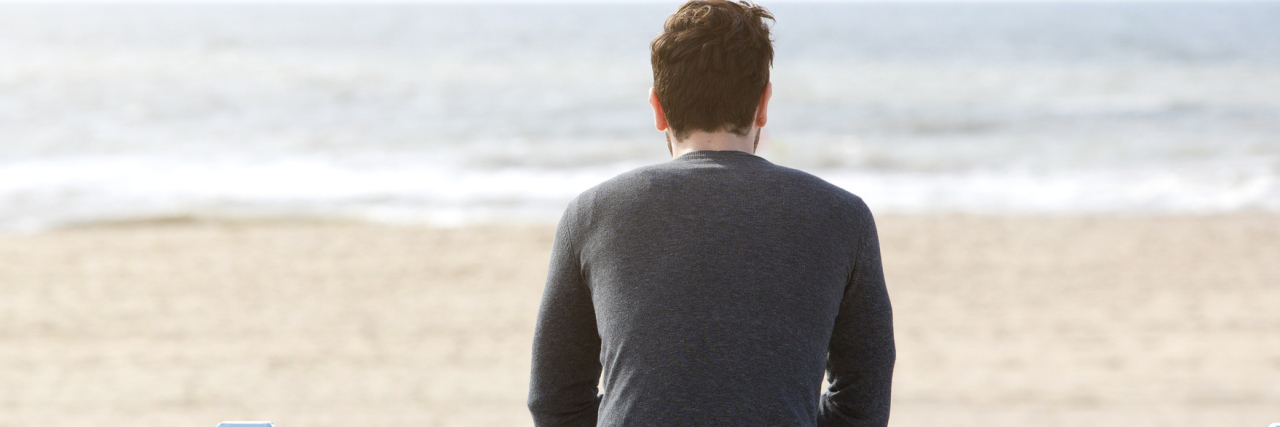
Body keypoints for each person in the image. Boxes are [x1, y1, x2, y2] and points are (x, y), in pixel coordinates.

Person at [527, 1, 895, 426]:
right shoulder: (844, 218)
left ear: (658, 109)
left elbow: (554, 400)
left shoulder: (591, 215)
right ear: (763, 104)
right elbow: (863, 404)